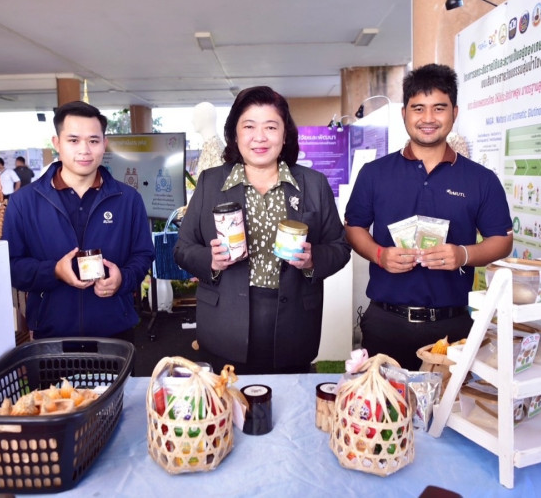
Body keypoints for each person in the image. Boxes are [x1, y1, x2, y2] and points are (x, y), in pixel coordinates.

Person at [344, 63, 513, 371]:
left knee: (449, 403)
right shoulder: (374, 174)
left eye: (439, 108)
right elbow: (354, 227)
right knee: (384, 400)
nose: (428, 118)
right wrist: (379, 255)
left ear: (454, 113)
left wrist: (463, 254)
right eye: (418, 108)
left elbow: (502, 241)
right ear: (404, 113)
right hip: (385, 322)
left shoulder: (481, 179)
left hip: (451, 328)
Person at [174, 86, 351, 374]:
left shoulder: (313, 183)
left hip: (294, 323)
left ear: (285, 134)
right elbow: (183, 248)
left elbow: (340, 247)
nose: (260, 137)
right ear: (235, 134)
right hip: (224, 321)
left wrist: (313, 259)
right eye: (249, 126)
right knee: (227, 399)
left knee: (291, 399)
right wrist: (211, 260)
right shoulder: (210, 182)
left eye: (270, 126)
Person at [1, 100, 155, 342]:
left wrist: (122, 279)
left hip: (115, 331)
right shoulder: (24, 202)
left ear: (104, 144)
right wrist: (54, 271)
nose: (84, 150)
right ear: (57, 143)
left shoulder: (127, 199)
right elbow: (11, 266)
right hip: (51, 334)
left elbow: (143, 255)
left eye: (93, 141)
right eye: (73, 140)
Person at [192, 102, 225, 178]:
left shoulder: (214, 151)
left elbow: (217, 182)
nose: (192, 121)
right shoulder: (210, 147)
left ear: (206, 117)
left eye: (195, 116)